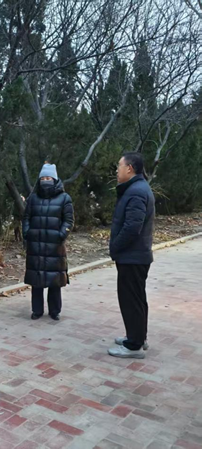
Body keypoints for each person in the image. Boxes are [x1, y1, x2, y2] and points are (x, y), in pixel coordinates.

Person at [108, 152, 155, 359]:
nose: (117, 170)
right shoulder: (137, 188)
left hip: (132, 256)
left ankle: (134, 346)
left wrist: (115, 247)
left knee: (131, 300)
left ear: (130, 168)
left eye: (119, 166)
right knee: (137, 299)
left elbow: (132, 227)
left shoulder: (136, 191)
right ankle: (137, 337)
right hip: (135, 256)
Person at [22, 163, 74, 321]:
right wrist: (27, 233)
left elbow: (68, 220)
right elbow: (26, 217)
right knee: (36, 280)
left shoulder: (64, 198)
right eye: (43, 178)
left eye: (49, 178)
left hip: (55, 246)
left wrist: (61, 235)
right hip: (35, 245)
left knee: (54, 280)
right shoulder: (33, 198)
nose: (46, 181)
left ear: (55, 179)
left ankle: (54, 311)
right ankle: (37, 310)